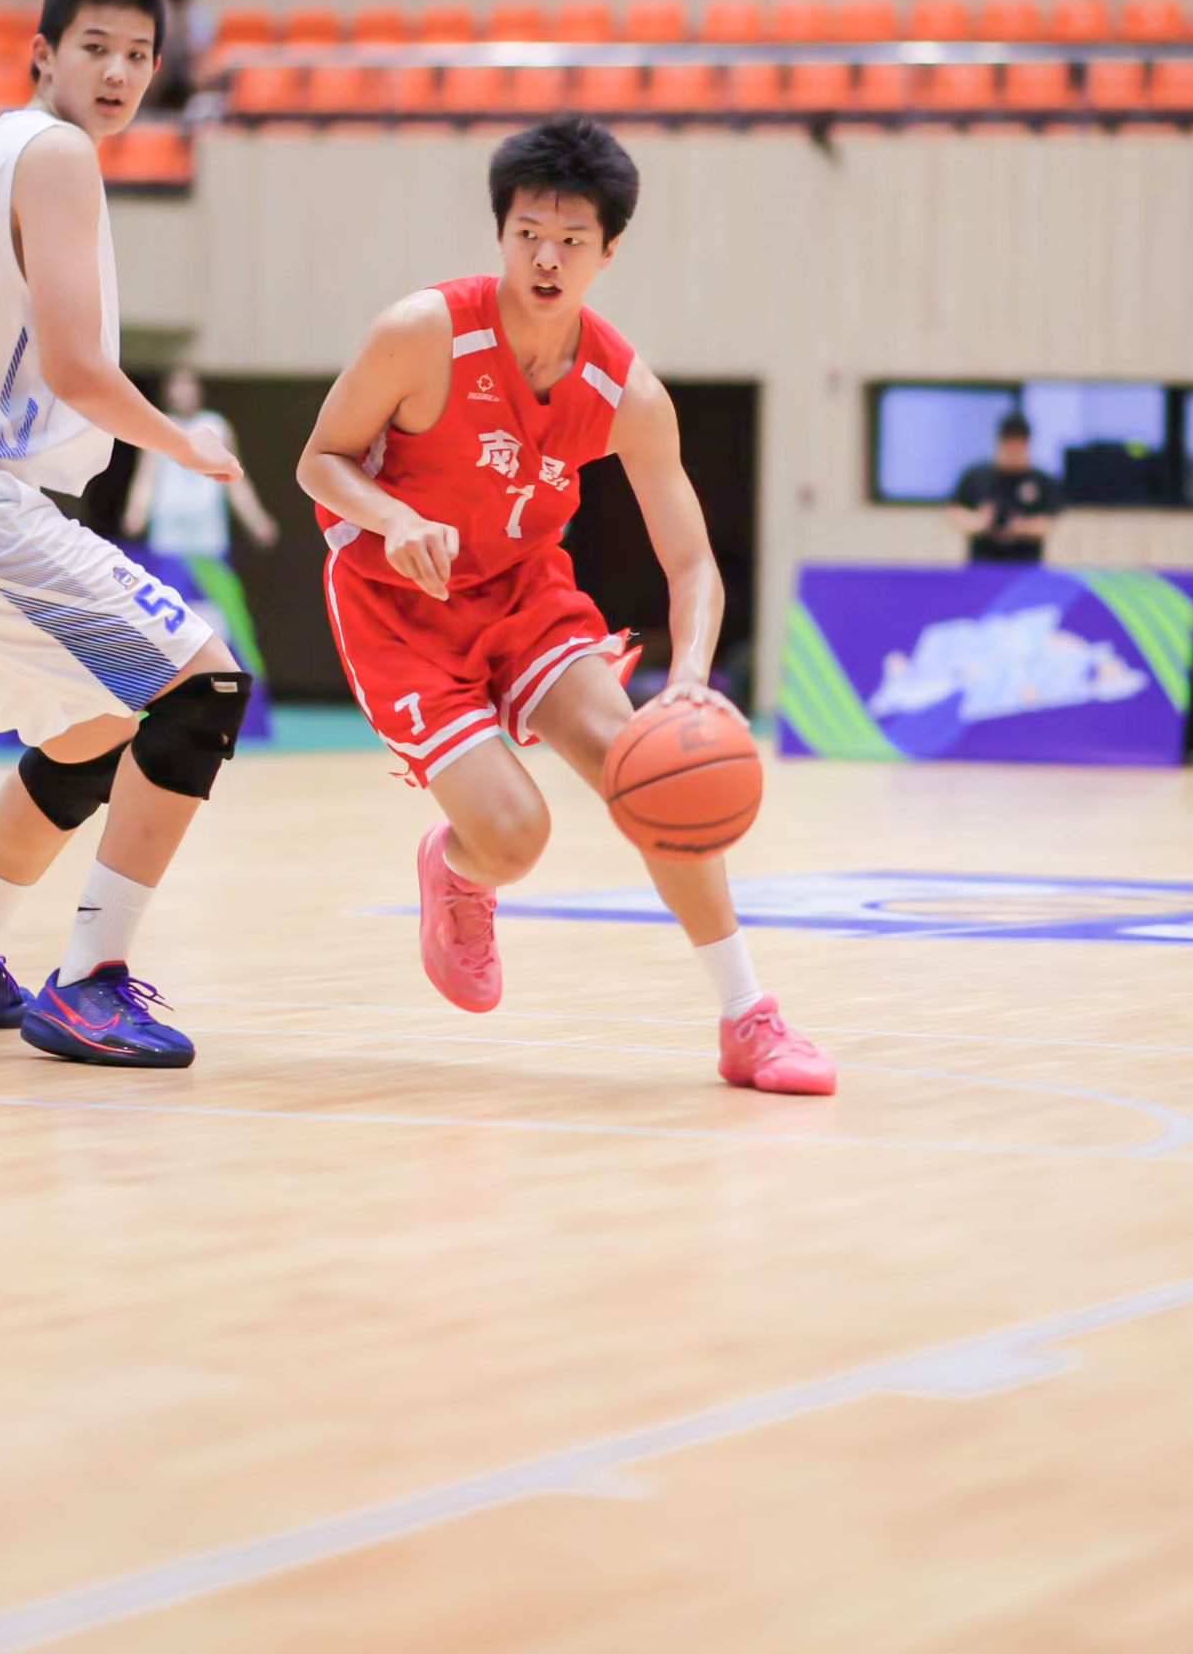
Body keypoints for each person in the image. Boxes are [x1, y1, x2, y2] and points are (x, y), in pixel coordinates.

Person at [296, 116, 835, 1095]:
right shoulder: (423, 333)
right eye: (528, 234)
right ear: (500, 233)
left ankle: (747, 1016)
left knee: (652, 773)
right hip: (398, 605)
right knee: (517, 835)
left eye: (572, 239)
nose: (546, 258)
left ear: (608, 250)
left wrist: (691, 683)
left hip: (522, 592)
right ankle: (459, 869)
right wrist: (394, 516)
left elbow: (692, 563)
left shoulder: (625, 391)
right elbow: (319, 461)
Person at [0, 0, 252, 1069]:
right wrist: (185, 442)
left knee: (88, 730)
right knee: (203, 685)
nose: (118, 72)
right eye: (95, 48)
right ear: (43, 54)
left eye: (138, 55)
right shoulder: (57, 152)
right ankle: (87, 983)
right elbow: (80, 369)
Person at [122, 367, 279, 558]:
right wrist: (136, 511)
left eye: (188, 384)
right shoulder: (159, 425)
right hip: (168, 538)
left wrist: (257, 520)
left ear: (198, 389)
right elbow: (146, 477)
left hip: (209, 538)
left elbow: (236, 481)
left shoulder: (217, 425)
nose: (183, 392)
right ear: (168, 391)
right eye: (177, 385)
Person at [949, 411, 1062, 563]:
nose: (1013, 450)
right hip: (983, 562)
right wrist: (979, 522)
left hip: (1025, 564)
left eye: (1018, 444)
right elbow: (955, 511)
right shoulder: (976, 477)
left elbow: (1049, 522)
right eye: (1009, 443)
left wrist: (1021, 526)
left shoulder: (1041, 481)